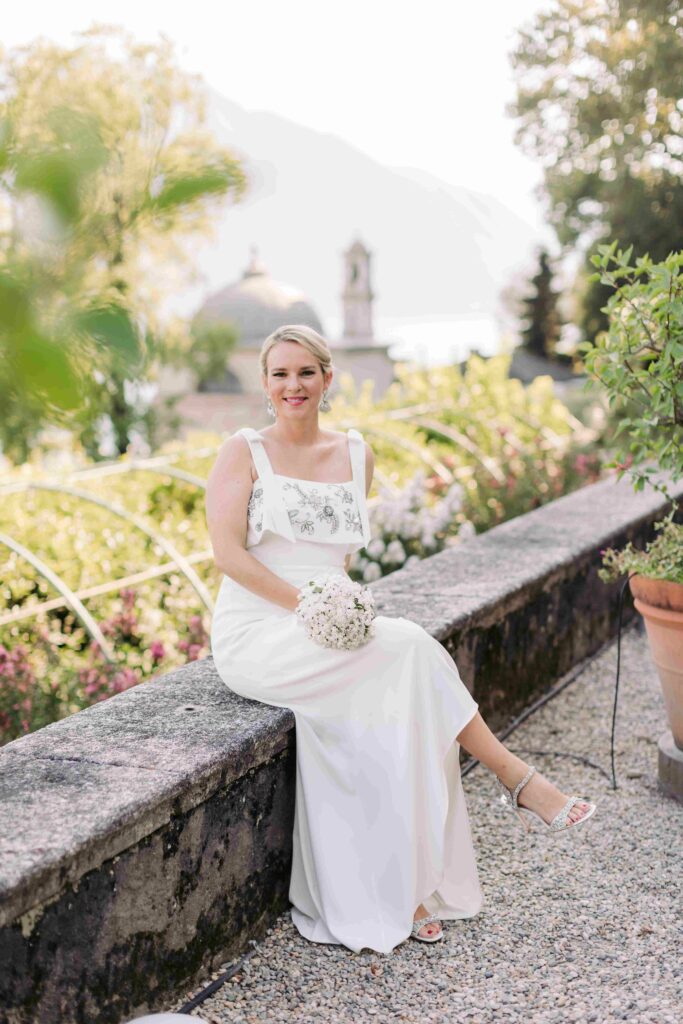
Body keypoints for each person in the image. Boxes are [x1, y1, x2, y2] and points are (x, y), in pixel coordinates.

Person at [206, 325, 596, 955]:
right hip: (259, 629)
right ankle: (515, 777)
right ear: (265, 385)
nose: (292, 386)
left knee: (396, 700)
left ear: (328, 378)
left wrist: (341, 612)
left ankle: (405, 887)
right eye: (279, 374)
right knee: (411, 647)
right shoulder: (243, 450)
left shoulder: (358, 454)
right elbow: (227, 553)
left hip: (331, 622)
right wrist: (310, 605)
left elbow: (336, 559)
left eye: (305, 372)